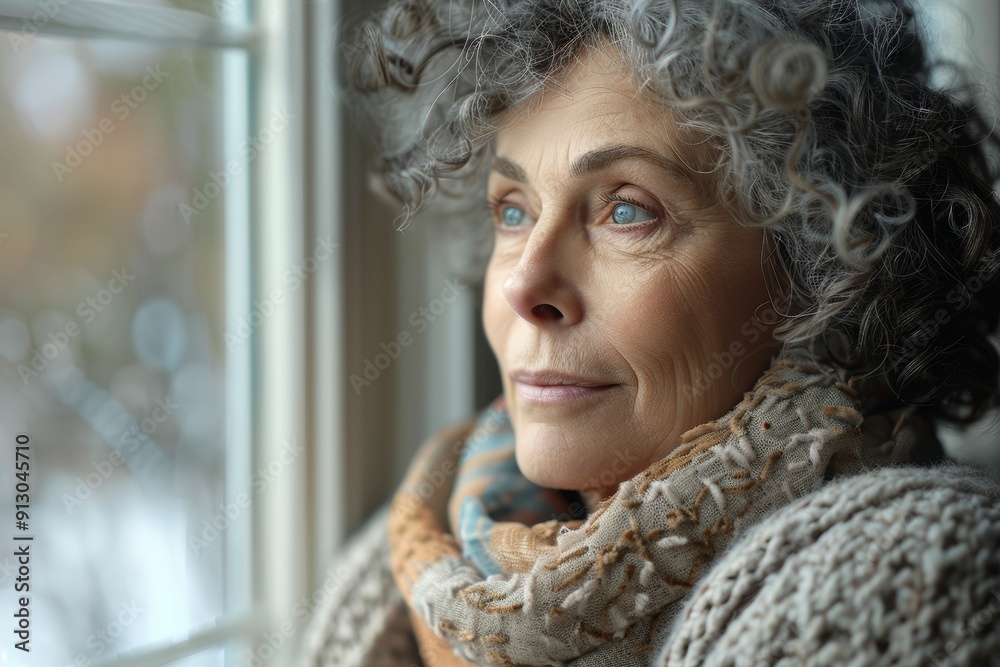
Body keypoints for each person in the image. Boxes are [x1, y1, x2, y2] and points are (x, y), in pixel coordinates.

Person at [300, 0, 1000, 665]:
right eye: (513, 211)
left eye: (628, 212)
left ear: (823, 265)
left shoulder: (900, 579)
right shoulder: (418, 558)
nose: (523, 284)